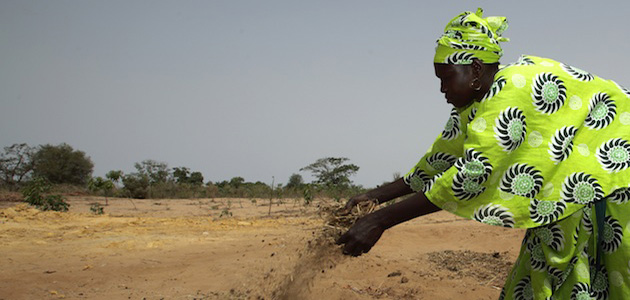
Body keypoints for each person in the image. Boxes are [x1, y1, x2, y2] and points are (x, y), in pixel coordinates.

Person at [336, 8, 630, 300]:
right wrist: (376, 197)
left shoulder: (511, 88)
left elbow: (471, 175)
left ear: (475, 69)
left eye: (447, 77)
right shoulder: (473, 107)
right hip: (574, 193)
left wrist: (380, 221)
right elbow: (438, 162)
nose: (442, 89)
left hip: (614, 179)